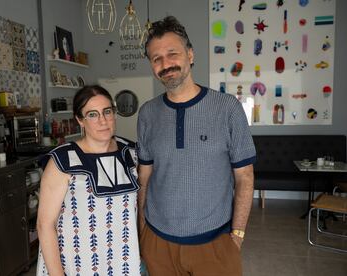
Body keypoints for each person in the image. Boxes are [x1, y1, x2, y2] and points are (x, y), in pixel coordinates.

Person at [137, 16, 256, 276]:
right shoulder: (147, 113)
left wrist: (236, 235)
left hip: (215, 243)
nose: (165, 64)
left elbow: (245, 177)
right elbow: (144, 177)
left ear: (190, 55)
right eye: (156, 58)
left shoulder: (228, 108)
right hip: (158, 243)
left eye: (172, 54)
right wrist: (142, 231)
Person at [36, 85, 141, 275]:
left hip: (123, 262)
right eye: (92, 114)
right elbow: (45, 225)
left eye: (107, 111)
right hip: (75, 264)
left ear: (114, 114)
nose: (102, 120)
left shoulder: (131, 153)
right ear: (80, 120)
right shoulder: (63, 160)